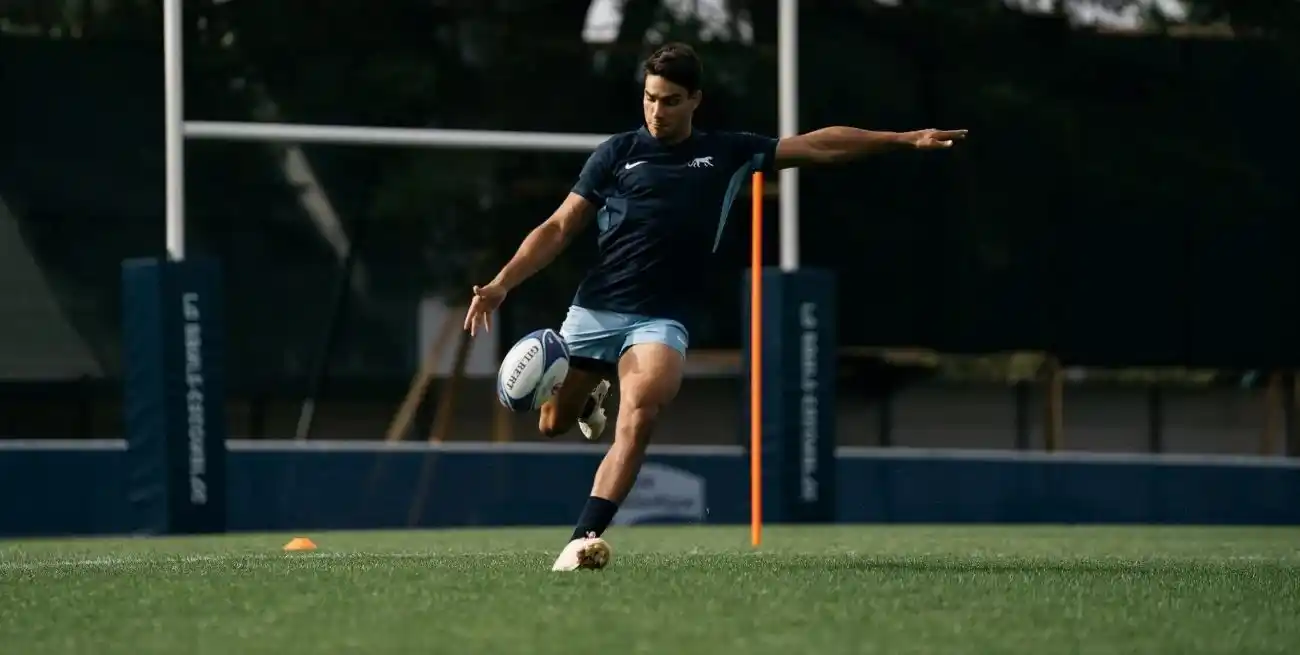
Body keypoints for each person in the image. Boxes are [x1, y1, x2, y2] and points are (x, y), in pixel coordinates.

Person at [463, 42, 966, 571]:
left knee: (641, 413)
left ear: (695, 100)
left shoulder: (727, 153)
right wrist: (501, 283)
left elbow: (819, 147)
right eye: (651, 98)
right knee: (551, 425)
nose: (658, 111)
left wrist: (904, 139)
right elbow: (560, 226)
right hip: (596, 308)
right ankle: (589, 396)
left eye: (672, 101)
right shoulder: (616, 154)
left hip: (661, 317)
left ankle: (581, 539)